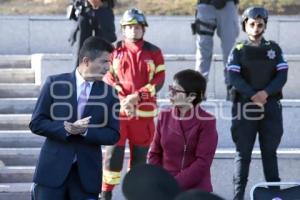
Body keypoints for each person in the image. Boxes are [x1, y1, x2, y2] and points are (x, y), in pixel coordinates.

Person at [29, 36, 120, 200]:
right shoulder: (54, 83)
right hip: (51, 173)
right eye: (104, 62)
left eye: (110, 62)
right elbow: (36, 123)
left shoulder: (110, 93)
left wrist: (85, 131)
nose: (108, 67)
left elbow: (113, 135)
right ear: (86, 61)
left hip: (87, 178)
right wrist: (65, 128)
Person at [101, 8, 166, 200]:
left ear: (143, 29)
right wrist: (123, 98)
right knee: (113, 159)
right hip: (118, 115)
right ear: (123, 29)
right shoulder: (113, 50)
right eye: (129, 27)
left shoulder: (154, 52)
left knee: (139, 163)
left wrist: (138, 96)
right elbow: (107, 76)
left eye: (137, 27)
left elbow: (159, 79)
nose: (133, 31)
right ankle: (105, 195)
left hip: (143, 117)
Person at [227, 7, 288, 200]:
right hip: (245, 107)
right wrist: (254, 95)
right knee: (242, 154)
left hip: (270, 107)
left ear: (265, 26)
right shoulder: (238, 50)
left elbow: (282, 75)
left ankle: (275, 196)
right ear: (245, 25)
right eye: (252, 24)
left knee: (270, 153)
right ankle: (238, 197)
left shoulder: (274, 49)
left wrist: (265, 93)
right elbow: (233, 77)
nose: (256, 28)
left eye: (260, 24)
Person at [148, 69, 218, 192]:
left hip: (195, 189)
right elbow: (154, 154)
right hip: (164, 187)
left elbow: (202, 163)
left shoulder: (207, 121)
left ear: (191, 97)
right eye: (171, 89)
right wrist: (161, 180)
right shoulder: (164, 116)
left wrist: (174, 184)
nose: (170, 93)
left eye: (175, 91)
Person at [193, 0, 239, 98]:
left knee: (229, 50)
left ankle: (231, 86)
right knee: (203, 50)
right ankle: (199, 87)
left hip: (228, 5)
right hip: (205, 5)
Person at [68, 0, 117, 67]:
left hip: (104, 8)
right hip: (83, 10)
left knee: (104, 50)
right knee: (80, 51)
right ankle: (78, 75)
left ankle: (104, 76)